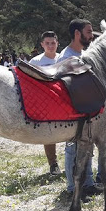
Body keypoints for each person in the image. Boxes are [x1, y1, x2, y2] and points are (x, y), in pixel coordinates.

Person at [59, 19, 103, 198]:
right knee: (72, 149)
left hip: (86, 109)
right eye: (89, 32)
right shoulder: (66, 57)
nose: (91, 35)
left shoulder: (84, 54)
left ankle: (88, 183)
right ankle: (72, 189)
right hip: (71, 111)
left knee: (87, 145)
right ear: (77, 34)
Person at [30, 30, 62, 175]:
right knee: (49, 133)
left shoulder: (64, 58)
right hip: (45, 103)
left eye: (53, 43)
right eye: (47, 43)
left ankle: (73, 162)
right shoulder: (35, 62)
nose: (50, 46)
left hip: (64, 100)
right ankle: (53, 164)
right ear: (42, 44)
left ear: (57, 43)